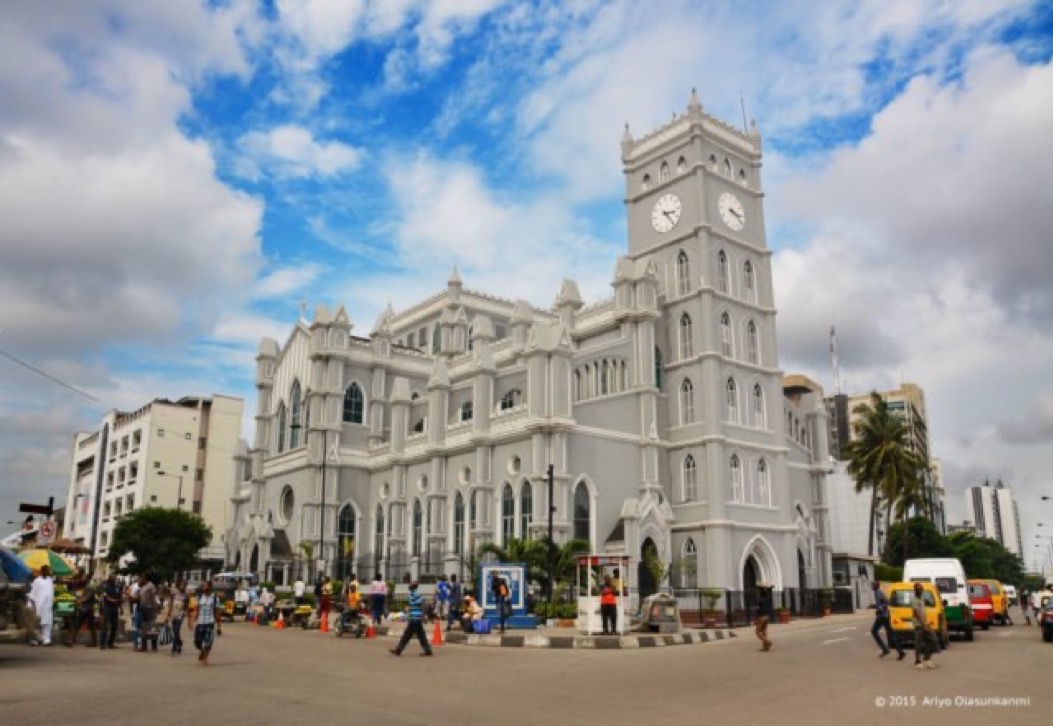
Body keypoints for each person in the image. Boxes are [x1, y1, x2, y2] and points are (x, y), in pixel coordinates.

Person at [389, 581, 433, 657]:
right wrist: (424, 616)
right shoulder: (418, 595)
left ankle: (398, 650)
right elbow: (421, 605)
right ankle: (427, 650)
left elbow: (410, 606)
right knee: (421, 636)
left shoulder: (410, 595)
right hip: (418, 618)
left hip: (413, 618)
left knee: (406, 636)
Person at [189, 580, 222, 666]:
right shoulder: (199, 597)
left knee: (208, 642)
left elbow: (217, 613)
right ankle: (202, 652)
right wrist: (192, 621)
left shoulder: (215, 598)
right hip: (200, 622)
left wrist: (219, 627)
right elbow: (196, 610)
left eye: (205, 586)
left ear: (210, 587)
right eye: (202, 586)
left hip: (210, 622)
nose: (203, 587)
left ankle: (205, 658)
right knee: (197, 642)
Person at [871, 581, 904, 660]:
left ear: (876, 586)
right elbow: (882, 602)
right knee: (891, 634)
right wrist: (875, 606)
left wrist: (880, 609)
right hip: (885, 616)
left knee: (874, 631)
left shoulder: (878, 593)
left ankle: (885, 649)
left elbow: (886, 602)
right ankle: (900, 652)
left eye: (873, 585)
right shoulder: (877, 592)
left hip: (882, 616)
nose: (871, 586)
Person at [65, 577, 98, 648]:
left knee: (90, 626)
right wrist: (77, 601)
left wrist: (78, 602)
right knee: (78, 625)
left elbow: (86, 598)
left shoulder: (89, 587)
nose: (79, 581)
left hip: (88, 609)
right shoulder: (84, 588)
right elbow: (82, 597)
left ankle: (94, 642)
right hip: (84, 609)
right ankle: (71, 641)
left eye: (81, 580)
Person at [27, 565, 55, 646]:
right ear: (43, 571)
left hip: (47, 606)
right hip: (38, 604)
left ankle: (46, 639)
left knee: (47, 623)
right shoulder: (37, 581)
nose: (49, 572)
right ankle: (35, 639)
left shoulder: (50, 580)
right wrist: (31, 603)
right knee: (36, 624)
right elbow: (33, 592)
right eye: (47, 570)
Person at [912, 582, 937, 670]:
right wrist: (923, 624)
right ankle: (917, 661)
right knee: (918, 643)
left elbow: (923, 612)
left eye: (921, 588)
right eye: (918, 588)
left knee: (933, 640)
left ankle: (926, 658)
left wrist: (927, 623)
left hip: (925, 624)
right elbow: (916, 613)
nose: (920, 590)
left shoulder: (922, 598)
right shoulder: (914, 600)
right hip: (919, 624)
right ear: (915, 590)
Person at [99, 572, 122, 649]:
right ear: (109, 578)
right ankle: (102, 644)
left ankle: (110, 643)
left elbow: (118, 596)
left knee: (114, 626)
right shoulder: (105, 585)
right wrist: (113, 600)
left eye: (115, 578)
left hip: (114, 608)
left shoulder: (116, 586)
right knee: (105, 626)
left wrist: (120, 607)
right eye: (113, 578)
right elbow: (105, 596)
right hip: (107, 608)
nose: (114, 579)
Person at [137, 574, 158, 652]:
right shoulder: (143, 586)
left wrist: (155, 611)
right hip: (143, 609)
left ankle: (154, 646)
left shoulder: (151, 586)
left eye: (141, 578)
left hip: (149, 609)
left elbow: (153, 598)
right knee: (144, 628)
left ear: (145, 578)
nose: (140, 579)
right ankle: (144, 646)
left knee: (151, 628)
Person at [168, 580, 188, 655]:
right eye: (181, 585)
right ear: (178, 586)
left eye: (183, 585)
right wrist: (168, 614)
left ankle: (173, 648)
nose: (182, 587)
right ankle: (179, 643)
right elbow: (171, 604)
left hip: (180, 615)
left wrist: (185, 613)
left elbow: (186, 606)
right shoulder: (174, 594)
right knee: (174, 632)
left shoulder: (186, 596)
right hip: (174, 614)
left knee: (176, 631)